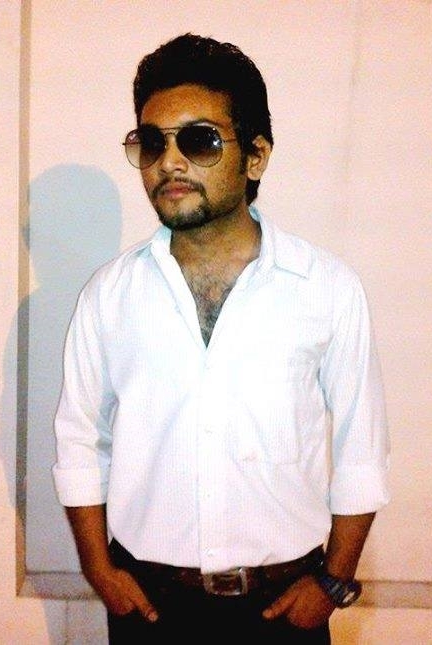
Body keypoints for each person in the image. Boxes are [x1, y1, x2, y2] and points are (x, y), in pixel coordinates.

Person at [52, 33, 390, 644]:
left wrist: (334, 582)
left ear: (255, 157)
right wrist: (98, 569)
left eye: (199, 140)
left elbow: (361, 448)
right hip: (149, 610)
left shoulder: (327, 289)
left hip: (283, 608)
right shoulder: (108, 296)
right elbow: (79, 440)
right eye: (152, 142)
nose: (169, 163)